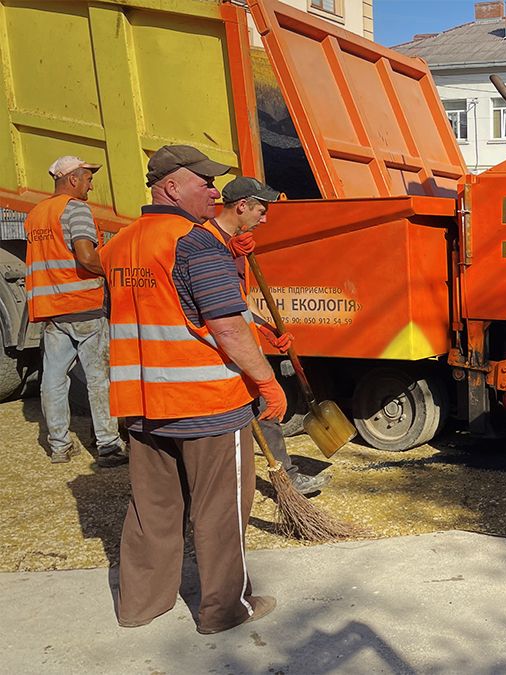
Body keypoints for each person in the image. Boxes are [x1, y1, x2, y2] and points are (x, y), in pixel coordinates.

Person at [102, 145, 287, 634]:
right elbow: (225, 327)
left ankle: (140, 605)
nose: (213, 190)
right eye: (203, 181)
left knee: (151, 511)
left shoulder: (120, 244)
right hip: (205, 403)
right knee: (220, 510)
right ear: (169, 187)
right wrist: (267, 383)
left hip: (142, 403)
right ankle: (224, 610)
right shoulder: (196, 242)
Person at [209, 176, 330, 495]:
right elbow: (216, 310)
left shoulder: (233, 243)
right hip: (219, 349)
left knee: (264, 407)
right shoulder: (208, 242)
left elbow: (238, 301)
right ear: (242, 206)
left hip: (239, 342)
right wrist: (225, 251)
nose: (265, 218)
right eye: (260, 211)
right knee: (251, 408)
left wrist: (267, 329)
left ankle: (286, 477)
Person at [23, 156, 125, 466]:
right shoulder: (75, 209)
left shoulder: (36, 214)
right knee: (98, 379)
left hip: (53, 310)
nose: (91, 186)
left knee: (53, 380)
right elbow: (85, 255)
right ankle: (108, 447)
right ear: (72, 180)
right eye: (88, 179)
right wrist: (111, 270)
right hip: (84, 308)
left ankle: (59, 446)